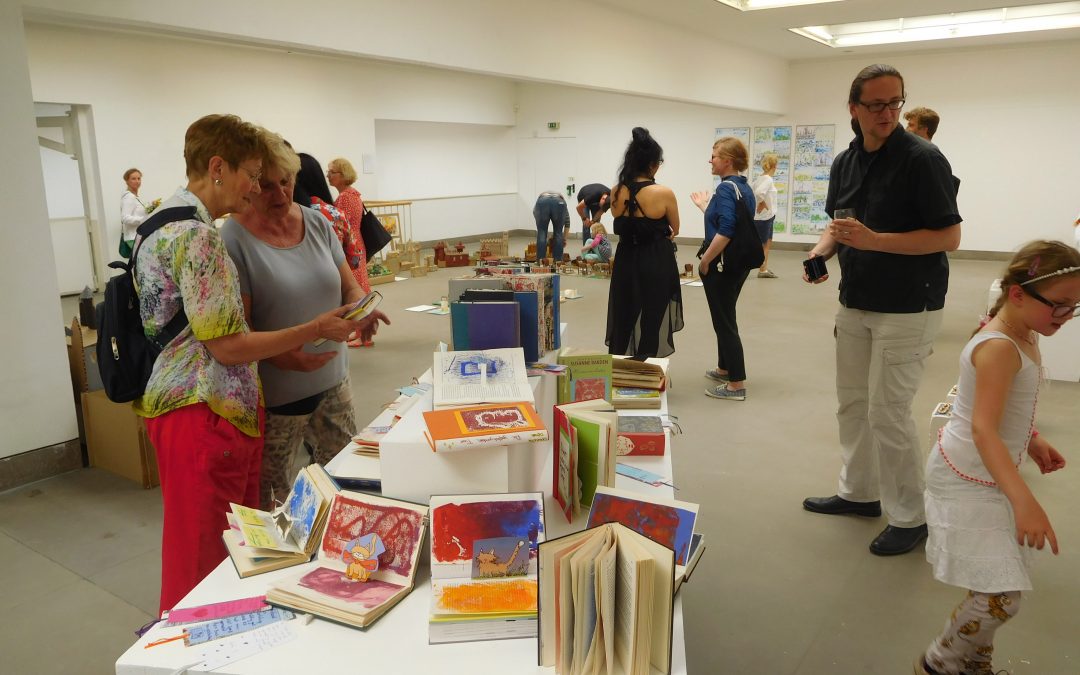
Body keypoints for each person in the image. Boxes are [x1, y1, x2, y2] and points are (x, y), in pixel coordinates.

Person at [132, 114, 358, 613]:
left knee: (214, 550)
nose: (257, 187)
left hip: (189, 409)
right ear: (217, 167)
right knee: (208, 563)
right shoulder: (201, 237)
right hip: (205, 412)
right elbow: (229, 346)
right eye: (251, 174)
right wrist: (314, 328)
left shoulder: (158, 224)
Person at [801, 64, 963, 556]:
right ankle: (859, 493)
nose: (888, 112)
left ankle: (911, 517)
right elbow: (839, 223)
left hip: (908, 306)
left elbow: (949, 237)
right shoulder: (845, 163)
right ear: (854, 109)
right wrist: (819, 252)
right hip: (857, 299)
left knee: (888, 414)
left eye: (895, 103)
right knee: (852, 404)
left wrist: (876, 241)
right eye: (877, 104)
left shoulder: (923, 159)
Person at [915, 241, 1078, 675]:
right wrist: (1024, 500)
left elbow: (987, 405)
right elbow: (982, 428)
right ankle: (940, 664)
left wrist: (1034, 437)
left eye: (1075, 307)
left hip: (988, 471)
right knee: (1000, 596)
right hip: (969, 476)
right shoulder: (1000, 346)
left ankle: (973, 663)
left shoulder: (1022, 332)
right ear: (1019, 294)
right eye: (1059, 305)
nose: (1065, 317)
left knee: (993, 584)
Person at [223, 133, 390, 511]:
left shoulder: (316, 223)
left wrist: (362, 310)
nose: (280, 194)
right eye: (266, 186)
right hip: (278, 397)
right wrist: (286, 359)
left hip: (334, 382)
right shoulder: (234, 238)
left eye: (286, 182)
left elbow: (348, 285)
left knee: (345, 481)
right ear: (248, 185)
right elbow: (242, 330)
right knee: (276, 499)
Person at [606, 127, 683, 359]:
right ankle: (646, 364)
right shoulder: (664, 193)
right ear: (652, 164)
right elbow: (675, 229)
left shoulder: (616, 191)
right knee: (653, 313)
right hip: (656, 259)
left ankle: (620, 364)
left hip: (626, 259)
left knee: (625, 312)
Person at [690, 137, 756, 401]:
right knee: (724, 315)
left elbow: (727, 230)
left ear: (728, 160)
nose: (711, 159)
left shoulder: (726, 190)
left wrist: (705, 260)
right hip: (737, 264)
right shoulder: (742, 187)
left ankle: (736, 384)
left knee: (724, 321)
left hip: (722, 265)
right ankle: (724, 368)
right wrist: (705, 207)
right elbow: (729, 221)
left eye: (715, 155)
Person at [327, 157, 372, 296]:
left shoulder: (345, 197)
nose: (328, 175)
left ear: (343, 174)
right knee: (359, 281)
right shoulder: (352, 193)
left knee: (352, 285)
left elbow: (340, 227)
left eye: (332, 171)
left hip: (349, 246)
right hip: (356, 242)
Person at [751, 152, 779, 279]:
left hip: (766, 217)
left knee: (767, 243)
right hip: (764, 218)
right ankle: (762, 269)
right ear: (774, 165)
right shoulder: (768, 179)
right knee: (763, 244)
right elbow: (758, 193)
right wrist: (762, 203)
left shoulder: (760, 178)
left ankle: (764, 268)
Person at [533, 190, 570, 262]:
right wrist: (564, 239)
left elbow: (534, 212)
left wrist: (540, 225)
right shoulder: (563, 204)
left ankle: (541, 261)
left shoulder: (540, 199)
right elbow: (567, 223)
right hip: (559, 203)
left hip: (542, 202)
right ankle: (558, 262)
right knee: (558, 233)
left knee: (542, 233)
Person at [120, 168, 148, 258]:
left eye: (139, 178)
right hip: (133, 237)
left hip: (137, 236)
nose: (137, 181)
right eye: (133, 179)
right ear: (127, 181)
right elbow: (125, 218)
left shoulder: (135, 197)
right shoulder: (129, 197)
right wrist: (144, 220)